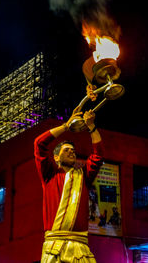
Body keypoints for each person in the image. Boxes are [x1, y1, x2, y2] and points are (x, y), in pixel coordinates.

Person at [34, 107, 104, 262]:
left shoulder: (84, 176)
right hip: (54, 247)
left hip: (80, 247)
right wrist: (66, 126)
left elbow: (98, 155)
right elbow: (39, 144)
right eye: (67, 150)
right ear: (56, 157)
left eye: (73, 150)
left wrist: (91, 127)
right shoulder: (49, 175)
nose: (72, 152)